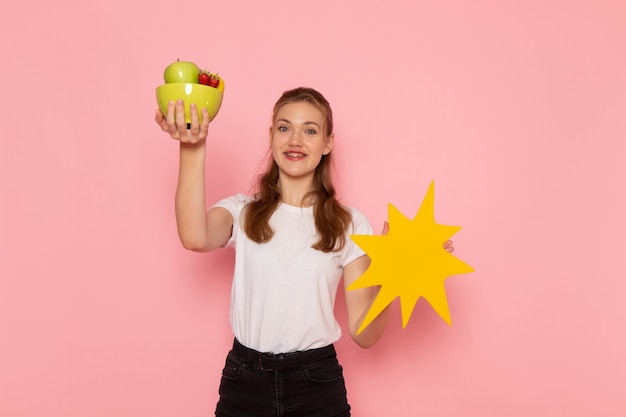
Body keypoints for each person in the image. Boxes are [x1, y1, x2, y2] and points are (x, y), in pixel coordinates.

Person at [155, 87, 453, 416]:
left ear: (328, 142)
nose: (295, 140)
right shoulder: (242, 211)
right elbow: (194, 236)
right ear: (271, 136)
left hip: (316, 385)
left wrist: (396, 274)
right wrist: (192, 145)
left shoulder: (350, 224)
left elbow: (364, 335)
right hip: (245, 380)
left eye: (310, 130)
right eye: (285, 128)